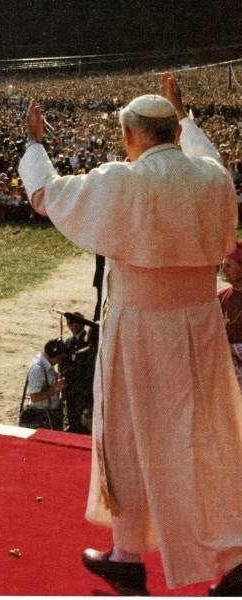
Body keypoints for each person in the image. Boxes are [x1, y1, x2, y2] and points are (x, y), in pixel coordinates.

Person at [19, 72, 242, 595]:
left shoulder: (123, 180)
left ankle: (166, 555)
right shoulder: (212, 179)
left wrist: (34, 143)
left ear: (130, 136)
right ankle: (152, 553)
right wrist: (183, 114)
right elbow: (205, 154)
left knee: (127, 436)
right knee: (208, 436)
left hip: (141, 329)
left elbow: (46, 195)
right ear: (172, 132)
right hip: (200, 325)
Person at [19, 338, 67, 430]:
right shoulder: (38, 368)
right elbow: (35, 397)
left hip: (49, 415)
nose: (60, 362)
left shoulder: (46, 366)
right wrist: (55, 388)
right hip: (40, 417)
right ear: (56, 357)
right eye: (60, 358)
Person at [218, 241, 242, 389]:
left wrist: (233, 349)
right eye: (223, 265)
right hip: (224, 369)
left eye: (229, 265)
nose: (223, 270)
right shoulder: (220, 297)